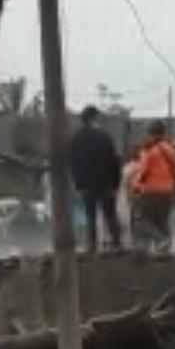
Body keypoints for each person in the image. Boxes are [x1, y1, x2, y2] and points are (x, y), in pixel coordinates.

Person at [69, 105, 122, 254]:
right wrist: (115, 183)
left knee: (90, 215)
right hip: (105, 183)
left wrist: (77, 182)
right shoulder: (104, 137)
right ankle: (117, 244)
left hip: (86, 184)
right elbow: (114, 161)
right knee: (110, 214)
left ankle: (91, 247)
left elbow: (73, 162)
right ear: (95, 118)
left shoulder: (77, 139)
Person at [132, 121, 175, 252]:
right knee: (163, 220)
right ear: (163, 133)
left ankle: (160, 240)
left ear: (151, 133)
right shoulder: (171, 150)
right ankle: (165, 252)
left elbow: (143, 171)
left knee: (143, 220)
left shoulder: (149, 150)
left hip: (150, 191)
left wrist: (136, 186)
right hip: (168, 191)